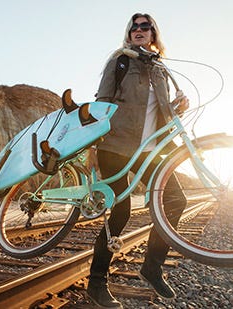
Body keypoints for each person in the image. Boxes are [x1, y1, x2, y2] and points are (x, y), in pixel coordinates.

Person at [86, 13, 190, 308]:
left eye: (145, 26)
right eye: (134, 26)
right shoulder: (119, 62)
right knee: (121, 213)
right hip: (115, 146)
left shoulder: (160, 69)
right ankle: (96, 284)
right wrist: (91, 149)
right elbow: (101, 105)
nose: (139, 30)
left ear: (154, 34)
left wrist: (177, 108)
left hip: (151, 149)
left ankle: (152, 267)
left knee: (174, 201)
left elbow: (159, 112)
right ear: (128, 33)